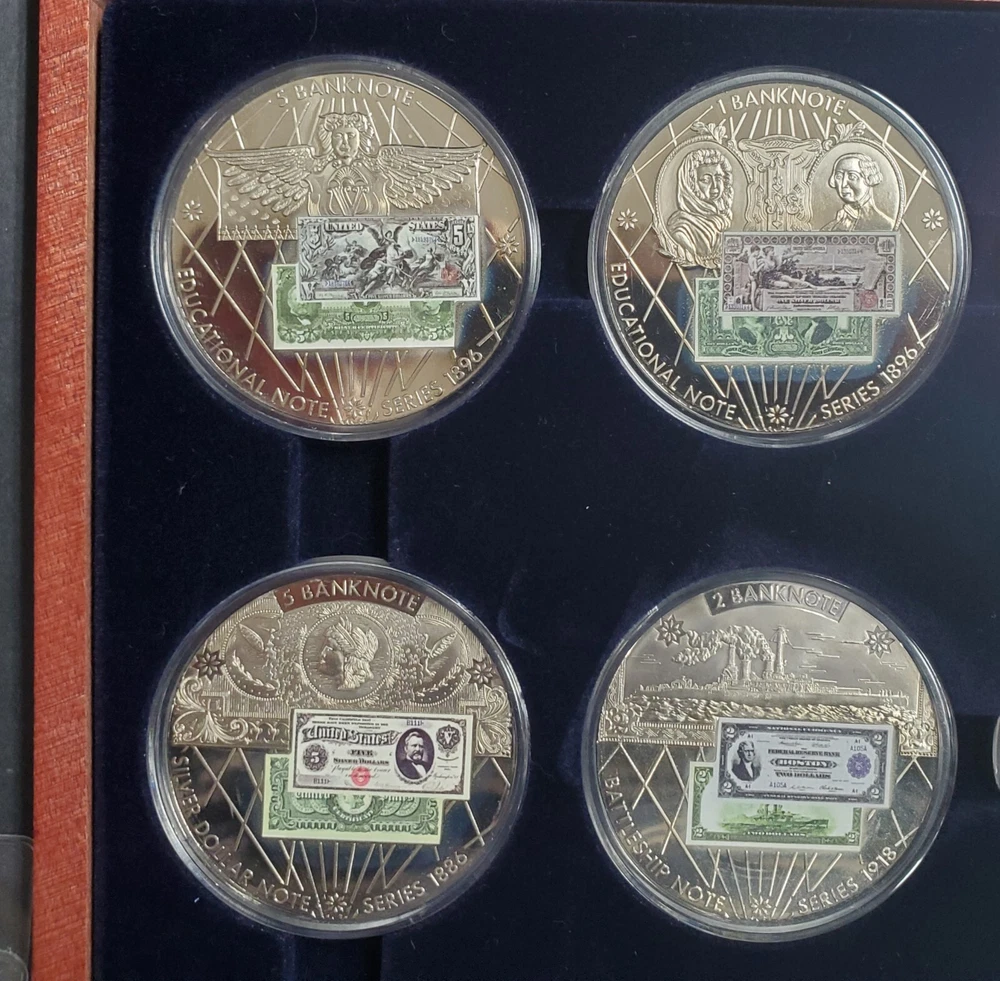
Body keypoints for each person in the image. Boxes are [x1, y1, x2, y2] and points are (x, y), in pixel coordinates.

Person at [656, 147, 734, 267]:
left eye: (718, 178)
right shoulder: (682, 228)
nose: (715, 186)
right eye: (706, 180)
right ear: (690, 184)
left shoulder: (723, 220)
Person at [823, 153, 893, 231]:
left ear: (869, 179)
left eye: (852, 176)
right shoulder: (829, 229)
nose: (843, 184)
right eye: (839, 177)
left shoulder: (886, 226)